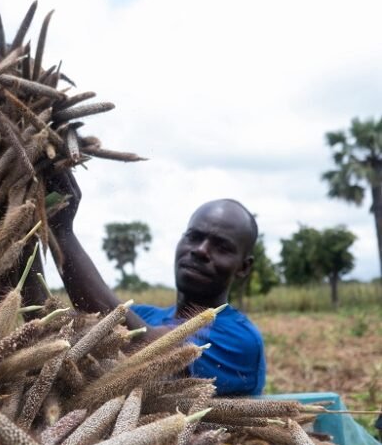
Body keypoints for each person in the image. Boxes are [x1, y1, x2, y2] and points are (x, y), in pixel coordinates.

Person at [46, 170, 266, 396]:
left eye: (222, 247)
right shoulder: (144, 315)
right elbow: (56, 344)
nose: (201, 250)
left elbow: (150, 350)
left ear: (243, 267)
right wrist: (24, 235)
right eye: (194, 236)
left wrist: (62, 232)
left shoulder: (241, 338)